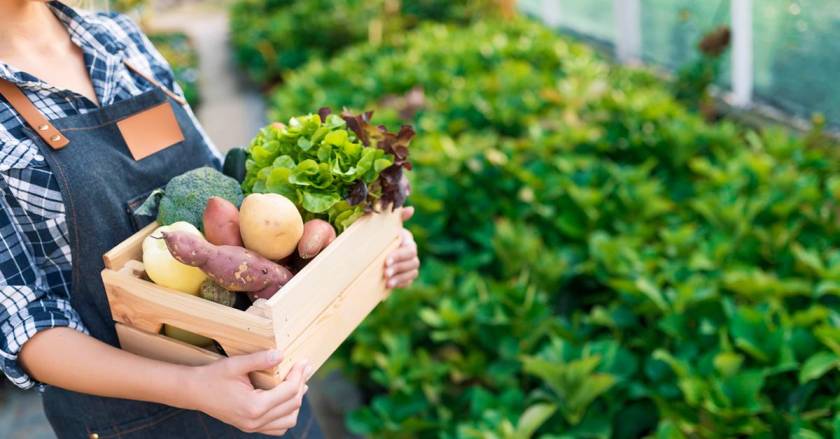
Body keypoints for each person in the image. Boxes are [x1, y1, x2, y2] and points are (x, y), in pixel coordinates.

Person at [0, 0, 421, 437]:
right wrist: (194, 386)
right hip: (131, 420)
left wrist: (367, 257)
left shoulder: (115, 38)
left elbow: (224, 187)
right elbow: (25, 326)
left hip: (267, 401)